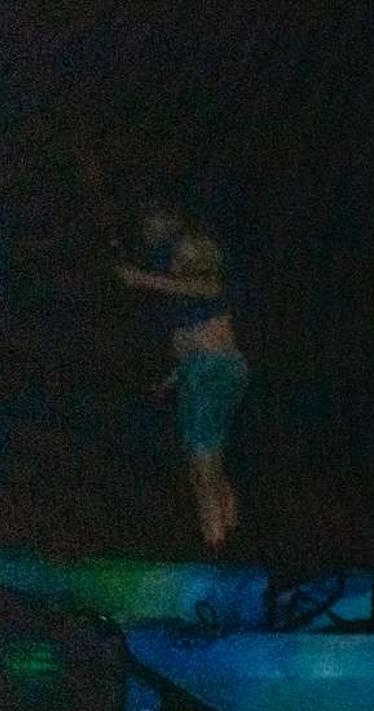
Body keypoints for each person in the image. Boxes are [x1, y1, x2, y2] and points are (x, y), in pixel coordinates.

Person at [115, 202, 249, 552]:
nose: (145, 227)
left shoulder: (190, 243)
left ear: (169, 216)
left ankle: (217, 546)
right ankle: (229, 539)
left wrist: (142, 279)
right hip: (197, 370)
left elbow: (211, 288)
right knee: (206, 462)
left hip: (214, 367)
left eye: (151, 217)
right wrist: (174, 377)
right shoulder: (162, 254)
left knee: (202, 461)